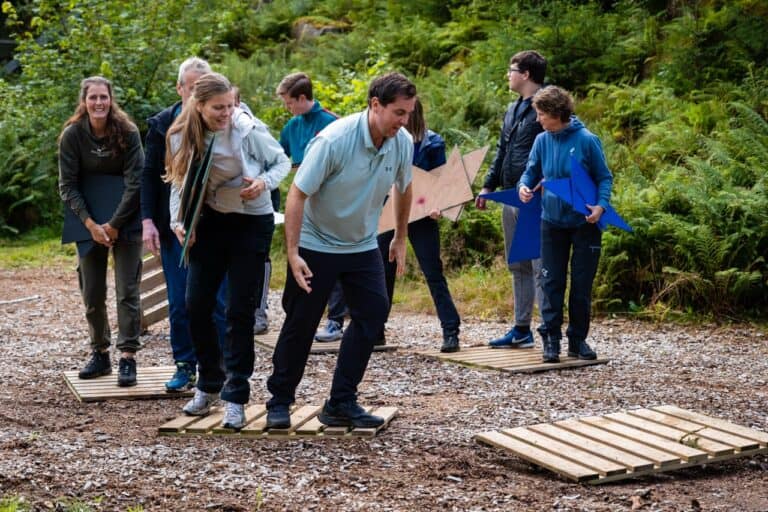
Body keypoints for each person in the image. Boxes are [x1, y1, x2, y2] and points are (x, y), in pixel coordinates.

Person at [265, 72, 415, 430]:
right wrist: (294, 252)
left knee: (373, 314)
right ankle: (280, 400)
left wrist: (400, 237)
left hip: (362, 244)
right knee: (301, 322)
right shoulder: (334, 140)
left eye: (408, 113)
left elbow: (405, 187)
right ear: (375, 105)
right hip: (317, 243)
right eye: (398, 112)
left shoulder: (402, 140)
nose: (403, 120)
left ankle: (341, 402)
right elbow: (297, 194)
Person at [165, 72, 290, 430]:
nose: (226, 113)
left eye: (230, 106)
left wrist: (262, 183)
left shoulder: (247, 129)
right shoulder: (181, 135)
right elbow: (179, 182)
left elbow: (281, 162)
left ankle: (236, 395)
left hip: (252, 221)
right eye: (218, 108)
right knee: (197, 305)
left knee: (239, 310)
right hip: (211, 221)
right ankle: (209, 382)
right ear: (199, 106)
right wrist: (179, 221)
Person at [141, 57, 228, 393]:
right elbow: (150, 176)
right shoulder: (164, 124)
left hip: (217, 226)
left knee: (216, 301)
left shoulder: (226, 122)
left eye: (203, 88)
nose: (197, 95)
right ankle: (184, 364)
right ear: (180, 89)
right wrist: (148, 220)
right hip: (175, 226)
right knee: (179, 301)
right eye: (192, 88)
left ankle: (217, 368)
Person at [58, 76, 144, 387]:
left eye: (103, 97)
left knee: (127, 291)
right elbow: (67, 186)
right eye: (93, 97)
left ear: (111, 99)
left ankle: (128, 357)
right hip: (87, 222)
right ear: (84, 101)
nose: (98, 103)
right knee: (92, 293)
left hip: (126, 219)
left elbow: (137, 182)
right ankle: (100, 352)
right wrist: (92, 225)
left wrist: (115, 224)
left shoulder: (128, 132)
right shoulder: (72, 136)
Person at [518, 85, 613, 363]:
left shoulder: (587, 140)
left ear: (556, 113)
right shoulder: (541, 140)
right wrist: (524, 186)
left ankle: (577, 340)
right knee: (551, 281)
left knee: (581, 284)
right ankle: (551, 340)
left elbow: (604, 177)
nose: (537, 120)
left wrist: (601, 206)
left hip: (585, 223)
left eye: (540, 114)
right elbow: (531, 171)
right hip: (551, 222)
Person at [247, 72, 339, 336]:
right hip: (302, 203)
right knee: (297, 255)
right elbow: (277, 159)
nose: (287, 108)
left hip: (330, 202)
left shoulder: (332, 123)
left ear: (302, 98)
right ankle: (297, 317)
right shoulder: (290, 127)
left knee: (333, 260)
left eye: (289, 103)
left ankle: (335, 319)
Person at [475, 50, 548, 349]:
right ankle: (521, 329)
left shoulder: (548, 104)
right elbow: (501, 150)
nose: (508, 74)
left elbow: (558, 146)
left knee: (540, 265)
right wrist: (488, 185)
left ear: (526, 74)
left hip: (537, 197)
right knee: (517, 263)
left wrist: (543, 184)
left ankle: (549, 331)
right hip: (510, 196)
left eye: (512, 69)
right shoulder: (512, 108)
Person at [376, 98, 461, 353]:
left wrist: (438, 204)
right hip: (390, 211)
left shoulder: (433, 142)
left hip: (423, 214)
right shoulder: (387, 139)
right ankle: (376, 329)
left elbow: (440, 179)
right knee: (383, 270)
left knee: (433, 272)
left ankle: (451, 331)